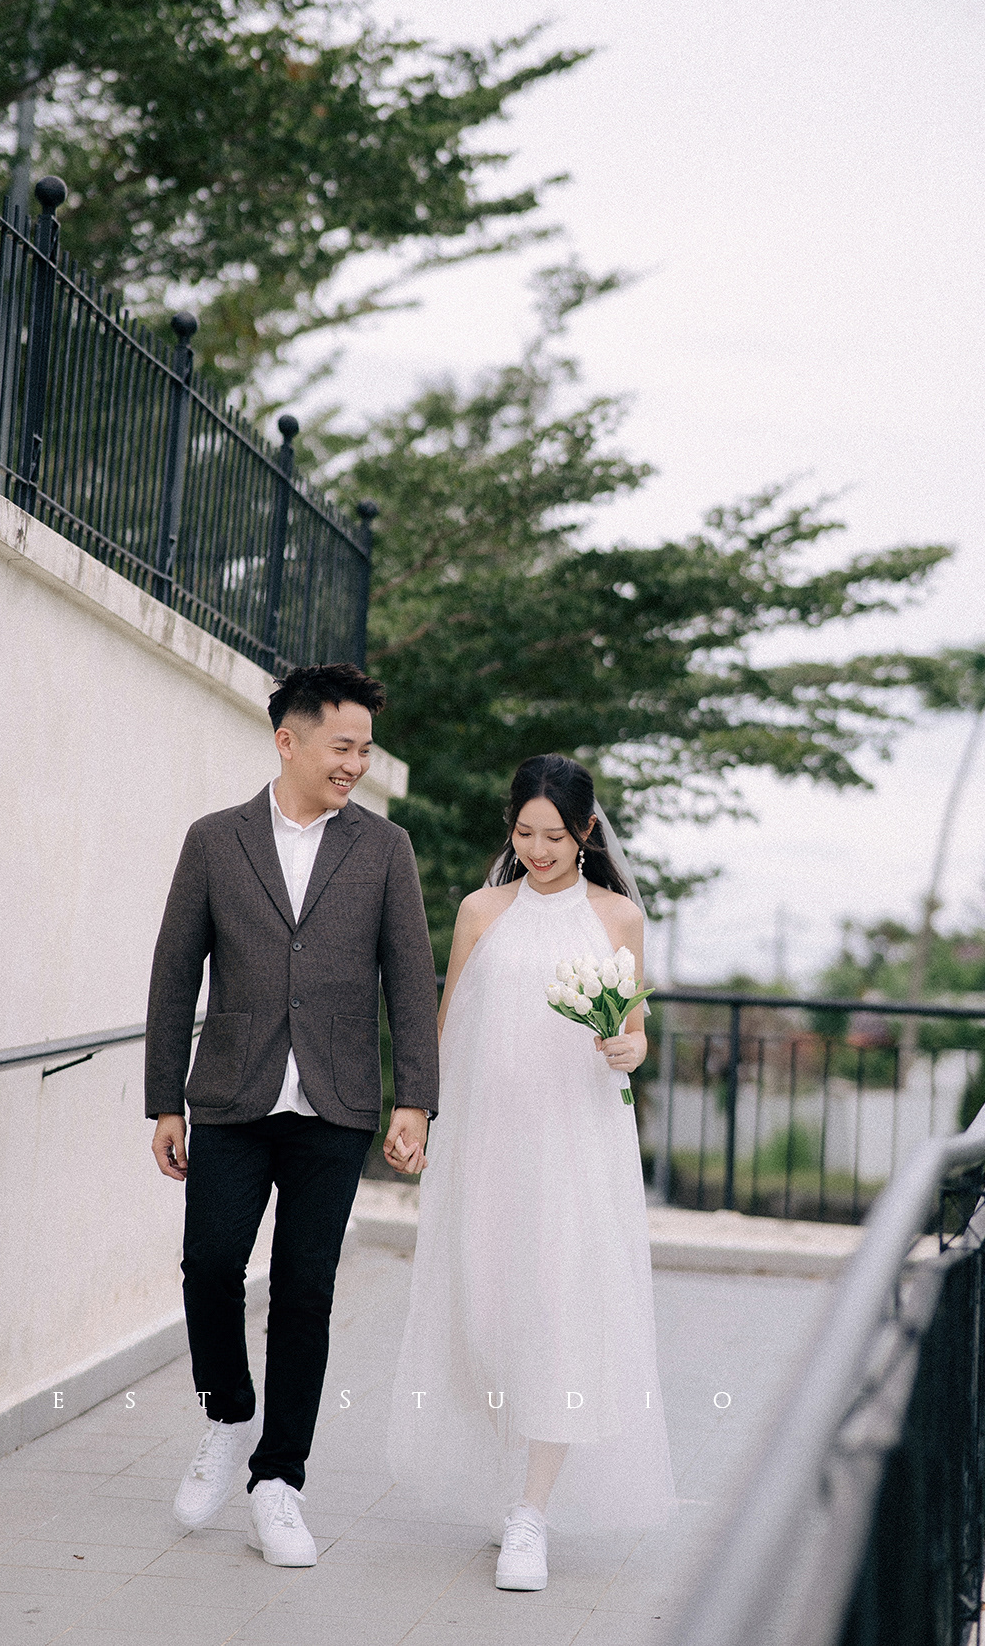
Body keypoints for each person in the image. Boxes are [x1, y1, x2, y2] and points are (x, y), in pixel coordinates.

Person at [146, 663, 440, 1567]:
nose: (356, 764)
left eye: (365, 749)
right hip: (231, 1095)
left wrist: (416, 1100)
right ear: (289, 741)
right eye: (342, 746)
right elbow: (174, 973)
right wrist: (164, 1101)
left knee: (306, 1291)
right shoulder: (215, 840)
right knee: (209, 1268)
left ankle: (279, 1483)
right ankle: (229, 1415)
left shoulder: (385, 849)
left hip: (334, 1102)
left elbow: (410, 981)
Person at [385, 753, 676, 1592]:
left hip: (576, 1145)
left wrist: (629, 1047)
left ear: (585, 832)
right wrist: (418, 1113)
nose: (538, 851)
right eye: (524, 833)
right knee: (485, 1309)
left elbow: (634, 1027)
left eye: (554, 835)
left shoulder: (618, 918)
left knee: (562, 1310)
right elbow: (448, 1024)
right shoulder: (481, 911)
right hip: (488, 1143)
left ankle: (531, 1512)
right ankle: (506, 1479)